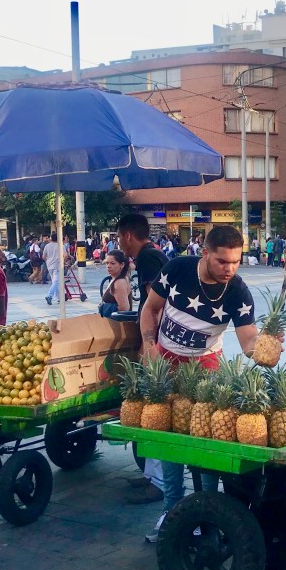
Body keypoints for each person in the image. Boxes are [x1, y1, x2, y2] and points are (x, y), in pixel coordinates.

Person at [140, 225, 262, 542]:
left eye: (235, 262)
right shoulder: (178, 268)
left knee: (207, 437)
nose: (230, 269)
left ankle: (207, 512)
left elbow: (248, 340)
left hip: (207, 367)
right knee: (170, 438)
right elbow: (150, 309)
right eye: (223, 261)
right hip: (165, 361)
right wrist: (149, 344)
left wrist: (262, 352)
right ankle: (172, 512)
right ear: (206, 253)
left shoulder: (238, 291)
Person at [116, 213, 170, 506]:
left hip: (157, 347)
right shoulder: (157, 255)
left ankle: (159, 481)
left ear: (127, 235)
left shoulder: (148, 258)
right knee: (152, 411)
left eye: (118, 237)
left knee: (154, 411)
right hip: (161, 343)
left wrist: (150, 344)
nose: (118, 244)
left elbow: (156, 306)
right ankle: (152, 475)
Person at [99, 250, 132, 318]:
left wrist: (104, 307)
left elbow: (124, 308)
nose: (108, 266)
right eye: (107, 263)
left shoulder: (119, 282)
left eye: (112, 263)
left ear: (122, 265)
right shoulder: (116, 279)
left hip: (116, 325)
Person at [42, 232, 65, 306]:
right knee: (55, 282)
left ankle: (59, 298)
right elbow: (65, 255)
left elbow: (43, 257)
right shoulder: (60, 246)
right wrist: (63, 261)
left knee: (55, 282)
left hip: (49, 266)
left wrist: (48, 260)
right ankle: (49, 296)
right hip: (57, 266)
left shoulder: (47, 246)